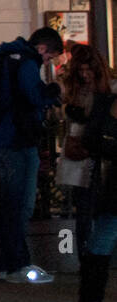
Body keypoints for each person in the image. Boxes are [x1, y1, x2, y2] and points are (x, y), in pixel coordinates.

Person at [0, 26, 64, 284]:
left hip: (3, 137)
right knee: (20, 204)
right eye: (49, 56)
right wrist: (53, 92)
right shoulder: (27, 62)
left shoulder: (10, 58)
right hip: (17, 140)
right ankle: (18, 264)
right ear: (42, 48)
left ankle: (6, 265)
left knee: (10, 204)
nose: (47, 61)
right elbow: (33, 96)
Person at [59, 45, 109, 258]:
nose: (85, 75)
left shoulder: (107, 89)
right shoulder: (74, 89)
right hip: (82, 151)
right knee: (85, 209)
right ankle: (88, 257)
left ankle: (95, 256)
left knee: (97, 209)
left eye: (89, 70)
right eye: (81, 71)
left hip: (101, 152)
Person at [76, 86, 117, 302]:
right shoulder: (105, 103)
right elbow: (92, 140)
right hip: (114, 182)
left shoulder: (105, 104)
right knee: (103, 238)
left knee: (103, 237)